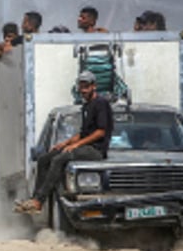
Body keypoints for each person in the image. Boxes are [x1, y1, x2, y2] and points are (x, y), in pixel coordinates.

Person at [15, 70, 113, 214]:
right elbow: (83, 133)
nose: (83, 90)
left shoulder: (101, 104)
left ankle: (39, 201)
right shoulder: (86, 106)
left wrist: (76, 145)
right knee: (44, 159)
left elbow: (100, 132)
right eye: (81, 87)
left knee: (59, 159)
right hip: (85, 146)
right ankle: (34, 199)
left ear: (94, 86)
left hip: (96, 150)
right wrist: (65, 143)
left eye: (86, 86)